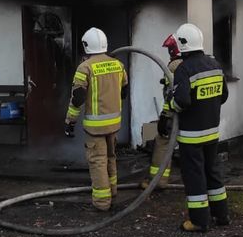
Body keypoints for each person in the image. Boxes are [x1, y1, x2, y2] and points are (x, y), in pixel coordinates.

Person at [168, 23, 229, 232]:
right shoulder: (215, 64)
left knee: (194, 176)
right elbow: (224, 96)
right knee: (212, 171)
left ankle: (199, 220)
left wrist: (170, 104)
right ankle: (221, 215)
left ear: (182, 44)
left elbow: (182, 101)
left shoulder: (185, 69)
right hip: (212, 132)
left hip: (191, 135)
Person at [66, 28, 129, 211]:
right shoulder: (117, 64)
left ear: (86, 45)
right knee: (111, 156)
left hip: (95, 127)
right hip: (114, 123)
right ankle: (113, 190)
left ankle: (102, 202)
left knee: (98, 161)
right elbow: (124, 90)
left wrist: (70, 121)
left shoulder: (84, 67)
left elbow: (77, 99)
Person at [141, 34, 181, 190]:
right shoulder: (192, 63)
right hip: (192, 115)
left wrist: (165, 116)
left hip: (174, 114)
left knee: (163, 143)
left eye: (171, 48)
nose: (169, 51)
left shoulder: (173, 66)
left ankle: (158, 181)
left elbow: (169, 94)